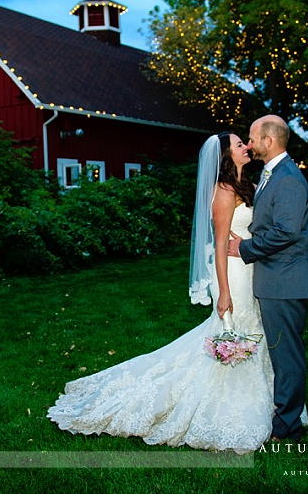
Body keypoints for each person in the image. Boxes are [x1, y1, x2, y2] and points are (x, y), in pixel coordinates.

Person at [47, 132, 277, 452]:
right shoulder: (223, 193)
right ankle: (228, 402)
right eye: (239, 144)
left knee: (254, 329)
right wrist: (223, 292)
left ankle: (264, 395)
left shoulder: (247, 188)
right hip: (232, 275)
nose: (246, 147)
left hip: (250, 269)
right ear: (226, 156)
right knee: (234, 328)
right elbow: (221, 246)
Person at [227, 115, 308, 442]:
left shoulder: (289, 179)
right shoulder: (272, 174)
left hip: (286, 282)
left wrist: (244, 248)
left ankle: (287, 429)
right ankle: (287, 419)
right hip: (274, 279)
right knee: (281, 353)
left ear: (269, 140)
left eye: (252, 138)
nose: (249, 145)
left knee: (286, 355)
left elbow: (286, 232)